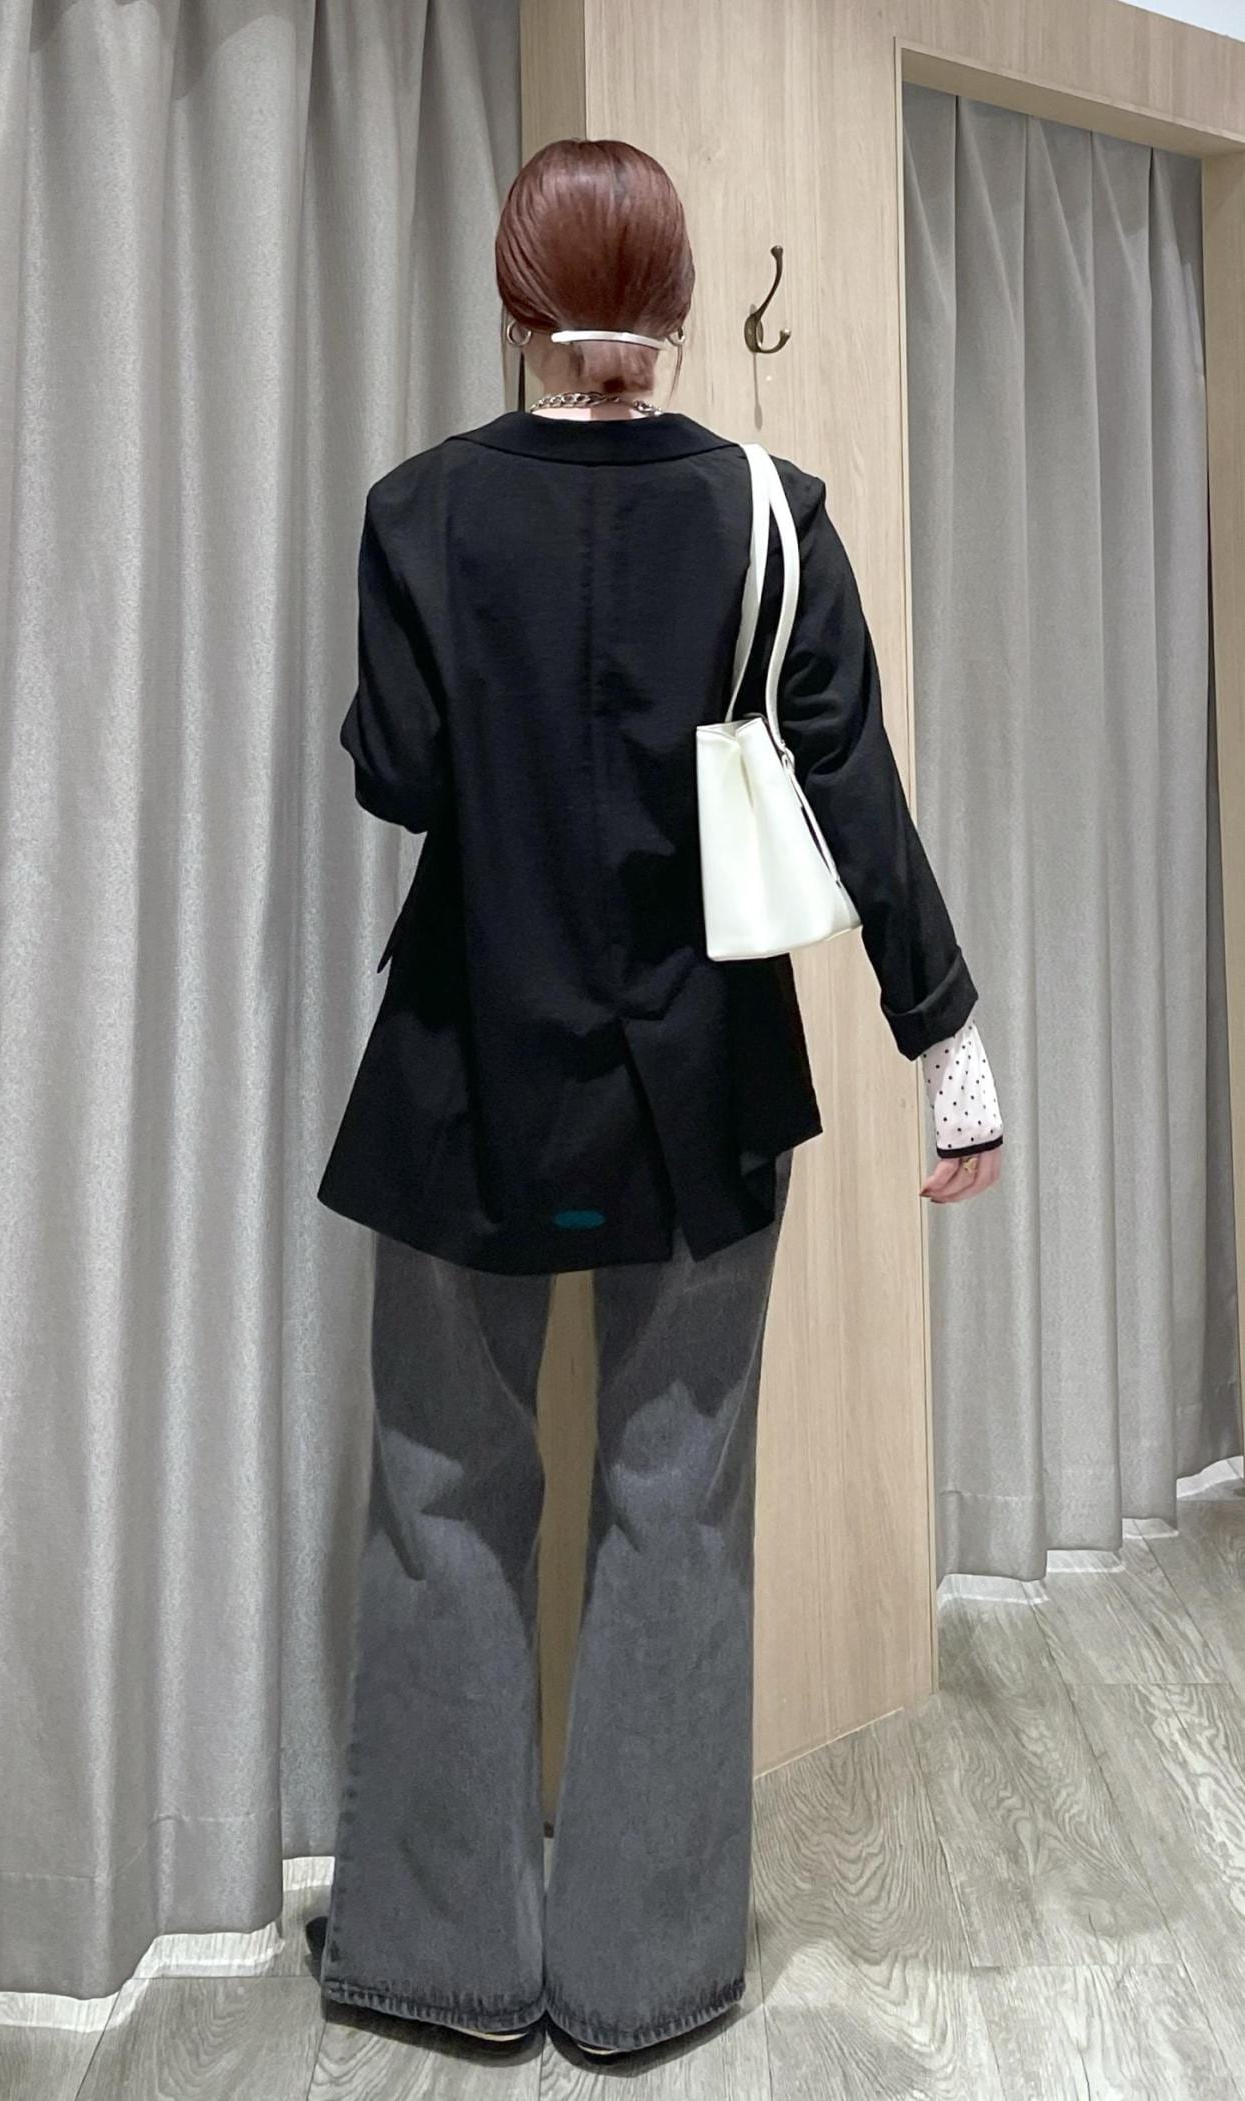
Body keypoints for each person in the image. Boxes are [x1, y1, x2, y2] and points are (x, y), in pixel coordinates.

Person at [308, 137, 1003, 2061]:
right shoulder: (772, 515)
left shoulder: (421, 509)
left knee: (445, 1496)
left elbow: (399, 775)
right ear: (680, 301)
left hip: (467, 1080)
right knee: (674, 1510)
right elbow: (854, 791)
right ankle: (640, 1977)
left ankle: (442, 1961)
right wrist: (947, 1046)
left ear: (515, 297)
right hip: (702, 1095)